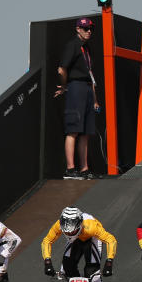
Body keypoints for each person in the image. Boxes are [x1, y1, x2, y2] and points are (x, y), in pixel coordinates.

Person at [41, 206, 116, 282]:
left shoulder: (91, 226)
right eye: (66, 232)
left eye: (72, 231)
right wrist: (47, 262)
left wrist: (109, 262)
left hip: (92, 239)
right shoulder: (61, 225)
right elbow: (47, 241)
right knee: (67, 269)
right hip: (75, 241)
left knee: (93, 274)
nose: (69, 233)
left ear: (79, 225)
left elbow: (111, 240)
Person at [53, 17, 100, 180]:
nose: (89, 31)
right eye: (85, 28)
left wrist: (94, 99)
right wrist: (65, 86)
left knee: (86, 132)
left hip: (87, 88)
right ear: (77, 29)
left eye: (90, 29)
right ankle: (70, 169)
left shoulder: (86, 48)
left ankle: (84, 169)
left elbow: (90, 73)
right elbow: (61, 69)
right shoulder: (72, 45)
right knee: (73, 129)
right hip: (76, 88)